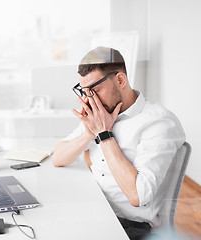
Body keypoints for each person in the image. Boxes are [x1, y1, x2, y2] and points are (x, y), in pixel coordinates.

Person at [52, 46, 185, 240]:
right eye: (85, 91)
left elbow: (137, 196)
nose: (90, 99)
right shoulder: (101, 114)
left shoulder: (159, 123)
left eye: (95, 90)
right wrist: (89, 133)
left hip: (129, 226)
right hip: (95, 209)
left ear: (120, 80)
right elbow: (58, 157)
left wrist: (104, 135)